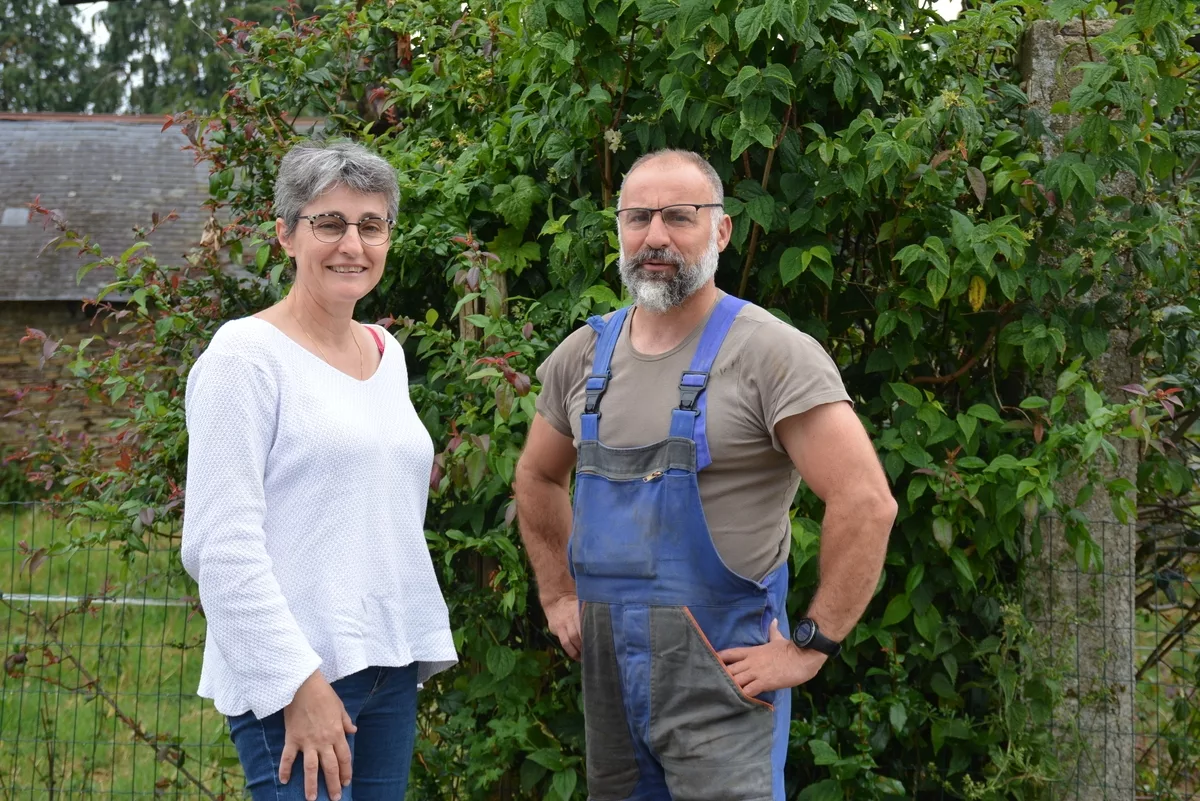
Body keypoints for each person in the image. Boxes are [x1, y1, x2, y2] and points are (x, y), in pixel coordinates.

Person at [513, 149, 897, 800]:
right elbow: (537, 477)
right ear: (619, 232)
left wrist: (808, 646)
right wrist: (556, 594)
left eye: (679, 217)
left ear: (720, 231)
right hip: (611, 685)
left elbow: (866, 502)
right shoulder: (584, 355)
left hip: (724, 677)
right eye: (638, 218)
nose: (655, 235)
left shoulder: (771, 354)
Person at [180, 140, 456, 801]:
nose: (351, 244)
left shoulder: (386, 353)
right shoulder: (245, 358)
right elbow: (221, 548)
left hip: (388, 660)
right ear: (286, 235)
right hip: (296, 675)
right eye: (328, 222)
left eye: (370, 224)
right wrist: (297, 683)